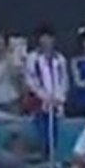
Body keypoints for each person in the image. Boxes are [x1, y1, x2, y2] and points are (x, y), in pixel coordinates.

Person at [24, 25, 69, 157]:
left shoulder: (60, 59)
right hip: (40, 104)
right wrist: (45, 97)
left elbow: (64, 80)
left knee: (56, 138)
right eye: (42, 39)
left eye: (48, 38)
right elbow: (31, 81)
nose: (46, 41)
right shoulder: (32, 58)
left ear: (53, 40)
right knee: (42, 137)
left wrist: (59, 99)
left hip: (56, 103)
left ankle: (53, 158)